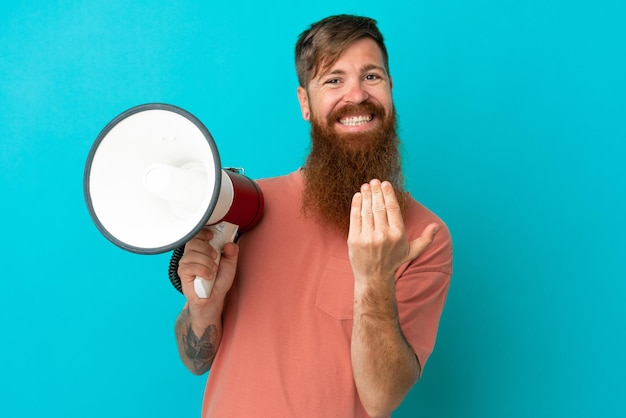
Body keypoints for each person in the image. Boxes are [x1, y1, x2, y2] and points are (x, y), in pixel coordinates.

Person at [174, 14, 452, 418]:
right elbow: (196, 361)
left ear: (391, 90)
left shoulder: (423, 236)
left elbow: (381, 399)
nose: (356, 95)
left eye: (371, 76)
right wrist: (202, 308)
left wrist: (374, 279)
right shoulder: (244, 208)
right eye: (334, 80)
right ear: (305, 102)